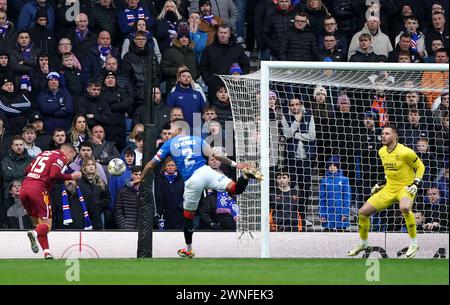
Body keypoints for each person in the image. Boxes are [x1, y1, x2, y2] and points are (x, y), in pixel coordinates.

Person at [137, 118, 262, 258]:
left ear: (178, 130)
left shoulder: (169, 144)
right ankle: (244, 176)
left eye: (171, 130)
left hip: (192, 181)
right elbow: (215, 155)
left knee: (188, 216)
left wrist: (141, 178)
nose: (169, 133)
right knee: (235, 189)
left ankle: (188, 249)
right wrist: (235, 165)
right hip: (206, 171)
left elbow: (150, 165)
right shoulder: (197, 140)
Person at [347, 125, 425, 259]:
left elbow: (420, 167)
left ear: (395, 136)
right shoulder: (382, 151)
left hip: (405, 188)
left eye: (387, 133)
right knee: (362, 212)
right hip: (389, 188)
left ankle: (414, 243)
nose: (383, 136)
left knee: (405, 208)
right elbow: (389, 172)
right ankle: (364, 243)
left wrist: (416, 183)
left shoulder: (406, 152)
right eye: (382, 133)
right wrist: (381, 183)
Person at [20, 143, 82, 259]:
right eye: (72, 158)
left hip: (24, 188)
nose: (69, 161)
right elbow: (54, 175)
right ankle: (33, 233)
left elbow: (26, 171)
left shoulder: (43, 153)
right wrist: (71, 176)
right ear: (69, 152)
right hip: (39, 190)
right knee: (47, 225)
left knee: (38, 224)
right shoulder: (61, 157)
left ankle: (46, 252)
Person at [319, 156, 351, 231]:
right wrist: (322, 214)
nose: (332, 167)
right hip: (328, 214)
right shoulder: (324, 180)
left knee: (341, 236)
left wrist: (345, 213)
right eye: (330, 165)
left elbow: (347, 198)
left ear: (338, 166)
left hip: (340, 214)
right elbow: (322, 199)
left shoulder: (344, 180)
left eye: (334, 165)